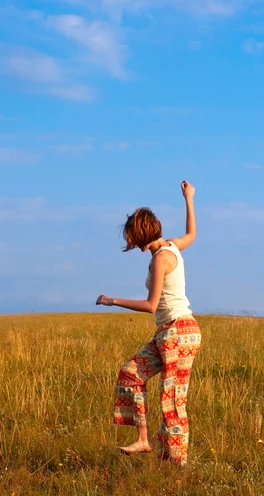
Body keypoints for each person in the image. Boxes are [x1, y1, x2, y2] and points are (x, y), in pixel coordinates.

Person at [96, 180, 201, 466]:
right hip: (168, 332)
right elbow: (191, 234)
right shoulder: (171, 247)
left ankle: (175, 465)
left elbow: (151, 305)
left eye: (132, 236)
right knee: (130, 373)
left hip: (178, 331)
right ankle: (143, 440)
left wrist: (112, 301)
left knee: (172, 401)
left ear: (141, 234)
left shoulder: (160, 260)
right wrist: (188, 198)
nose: (131, 242)